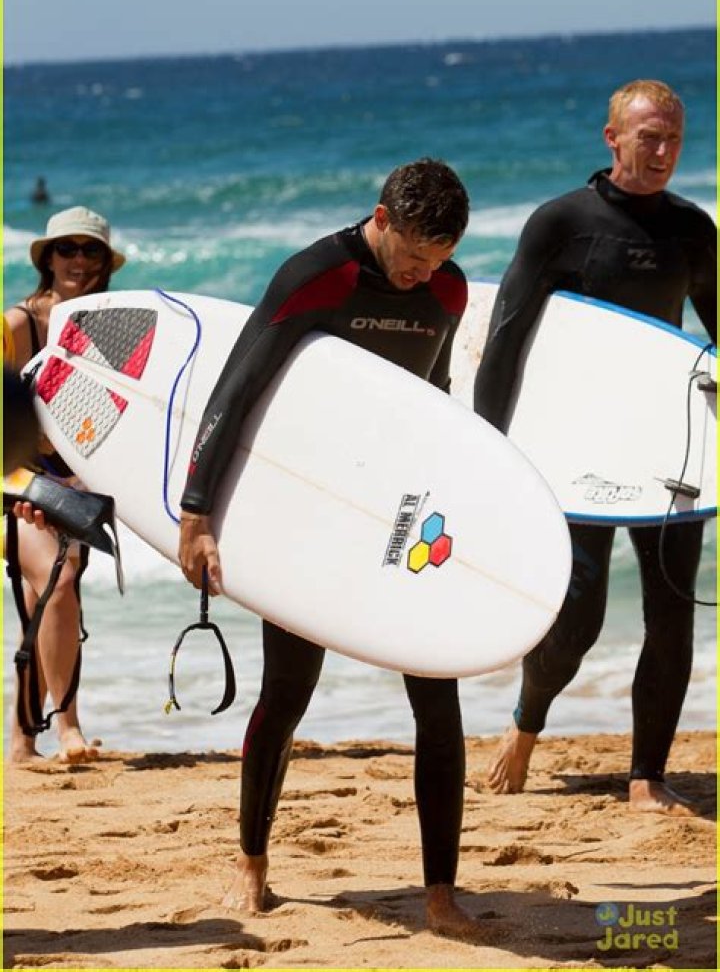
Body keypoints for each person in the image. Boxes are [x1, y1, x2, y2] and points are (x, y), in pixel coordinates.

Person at [178, 159, 481, 937]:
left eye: (437, 261)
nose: (420, 276)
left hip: (399, 513)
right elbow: (235, 391)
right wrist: (197, 512)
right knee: (288, 691)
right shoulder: (316, 276)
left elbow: (434, 402)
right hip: (307, 510)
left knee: (437, 692)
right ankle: (251, 862)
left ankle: (441, 894)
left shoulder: (447, 292)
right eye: (411, 256)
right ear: (381, 219)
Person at [474, 80, 716, 817]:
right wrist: (489, 447)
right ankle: (527, 721)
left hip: (666, 442)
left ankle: (648, 775)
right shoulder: (561, 224)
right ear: (612, 139)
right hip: (575, 443)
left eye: (673, 138)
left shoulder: (693, 230)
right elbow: (506, 339)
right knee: (578, 616)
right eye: (649, 137)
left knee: (672, 611)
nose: (664, 151)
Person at [4, 205, 126, 765]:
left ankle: (21, 742)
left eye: (90, 249)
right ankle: (69, 728)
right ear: (47, 259)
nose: (79, 260)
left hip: (70, 487)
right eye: (67, 248)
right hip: (11, 484)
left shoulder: (108, 329)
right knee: (60, 581)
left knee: (42, 601)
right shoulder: (16, 327)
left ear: (105, 261)